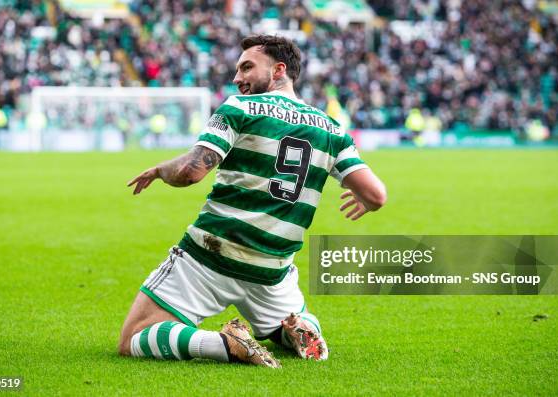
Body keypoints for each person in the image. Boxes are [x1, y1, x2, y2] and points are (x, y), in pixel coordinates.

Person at [119, 35, 387, 367]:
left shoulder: (240, 108)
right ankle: (300, 328)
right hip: (272, 270)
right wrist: (366, 202)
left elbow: (191, 172)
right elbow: (376, 194)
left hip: (212, 255)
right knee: (290, 315)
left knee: (134, 337)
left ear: (278, 70)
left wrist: (161, 170)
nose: (237, 78)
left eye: (247, 67)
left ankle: (223, 344)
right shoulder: (333, 130)